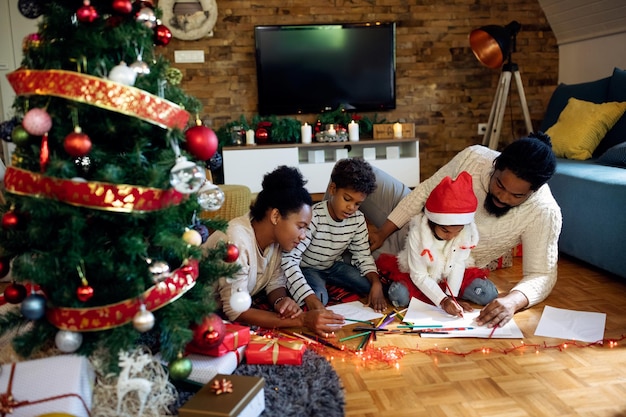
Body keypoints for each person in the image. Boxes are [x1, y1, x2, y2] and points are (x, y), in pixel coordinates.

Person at [368, 132, 561, 328]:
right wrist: (382, 233)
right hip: (415, 228)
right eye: (499, 184)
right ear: (495, 165)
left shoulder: (544, 211)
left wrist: (513, 301)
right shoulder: (473, 158)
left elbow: (542, 273)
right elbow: (425, 192)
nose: (503, 197)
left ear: (534, 191)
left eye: (517, 195)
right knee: (362, 174)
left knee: (353, 262)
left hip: (448, 269)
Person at [204, 165, 345, 337]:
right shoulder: (235, 241)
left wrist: (280, 300)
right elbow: (235, 311)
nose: (303, 236)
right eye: (301, 227)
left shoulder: (277, 241)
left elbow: (275, 282)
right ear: (276, 216)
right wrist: (302, 320)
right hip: (194, 314)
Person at [377, 171, 498, 317]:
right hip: (421, 278)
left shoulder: (465, 232)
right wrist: (442, 300)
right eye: (445, 231)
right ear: (431, 222)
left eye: (457, 231)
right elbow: (419, 276)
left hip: (448, 277)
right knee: (399, 296)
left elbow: (458, 265)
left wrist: (453, 298)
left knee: (489, 294)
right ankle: (433, 297)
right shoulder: (418, 234)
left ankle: (440, 297)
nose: (451, 237)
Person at [282, 158, 387, 313]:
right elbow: (290, 259)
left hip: (334, 267)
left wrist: (376, 283)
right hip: (308, 268)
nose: (351, 207)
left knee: (372, 286)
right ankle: (317, 288)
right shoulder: (313, 217)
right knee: (317, 301)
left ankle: (329, 284)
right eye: (347, 199)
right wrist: (309, 295)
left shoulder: (357, 220)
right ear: (332, 189)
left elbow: (363, 256)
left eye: (357, 203)